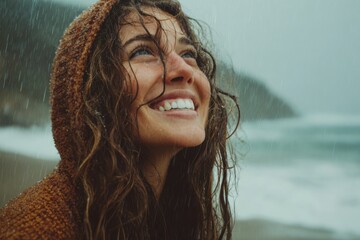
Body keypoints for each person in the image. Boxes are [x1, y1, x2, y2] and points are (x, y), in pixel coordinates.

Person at [0, 0, 239, 239]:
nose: (185, 70)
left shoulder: (173, 215)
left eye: (188, 54)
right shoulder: (32, 230)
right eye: (143, 51)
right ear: (91, 94)